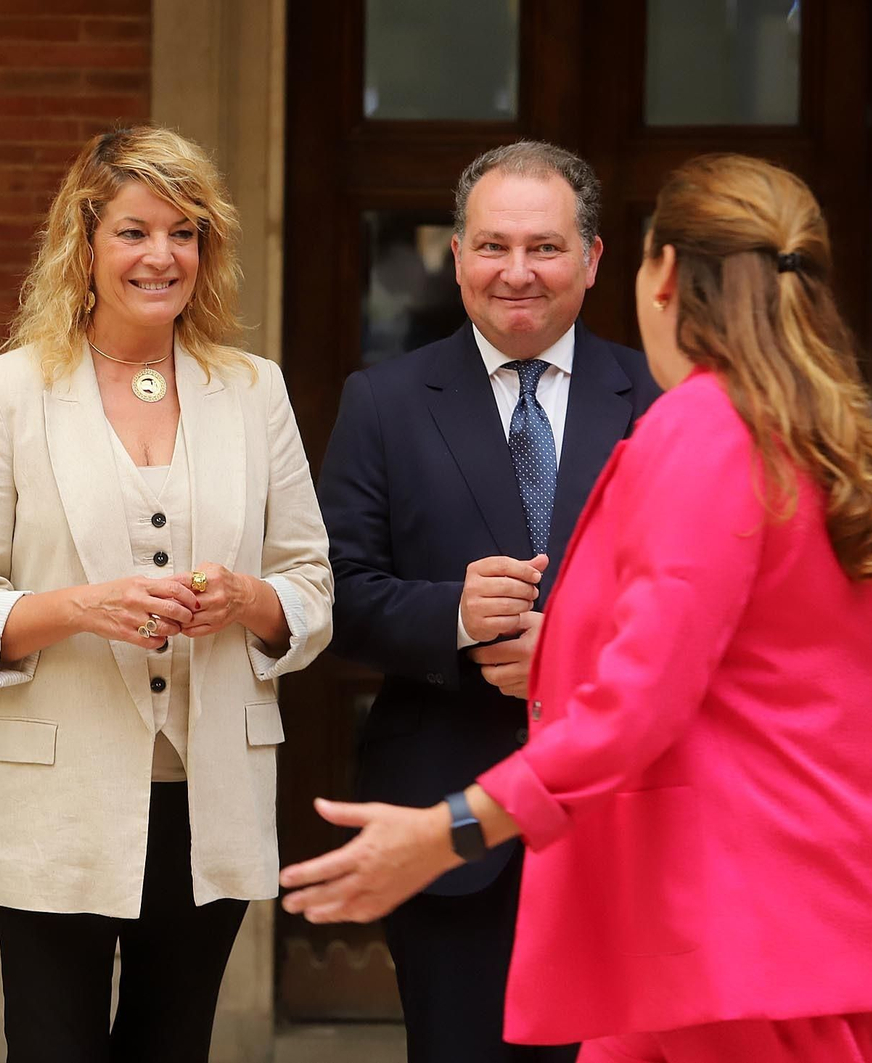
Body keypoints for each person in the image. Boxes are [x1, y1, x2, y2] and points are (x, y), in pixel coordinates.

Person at [284, 153, 872, 1063]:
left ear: (656, 271)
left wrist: (447, 828)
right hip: (777, 898)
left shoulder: (704, 429)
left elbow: (641, 698)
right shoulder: (808, 426)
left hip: (738, 919)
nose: (519, 270)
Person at [0, 126, 332, 1063]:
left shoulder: (254, 391)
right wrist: (79, 606)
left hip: (211, 799)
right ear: (85, 241)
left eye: (184, 232)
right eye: (135, 231)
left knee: (173, 1046)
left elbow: (311, 584)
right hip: (55, 800)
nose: (162, 256)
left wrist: (247, 599)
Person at [315, 140, 659, 1063]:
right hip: (447, 816)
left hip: (623, 827)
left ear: (592, 258)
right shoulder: (383, 401)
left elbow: (705, 609)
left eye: (545, 247)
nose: (518, 271)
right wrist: (455, 618)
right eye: (494, 246)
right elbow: (334, 595)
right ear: (458, 254)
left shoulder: (660, 400)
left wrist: (573, 644)